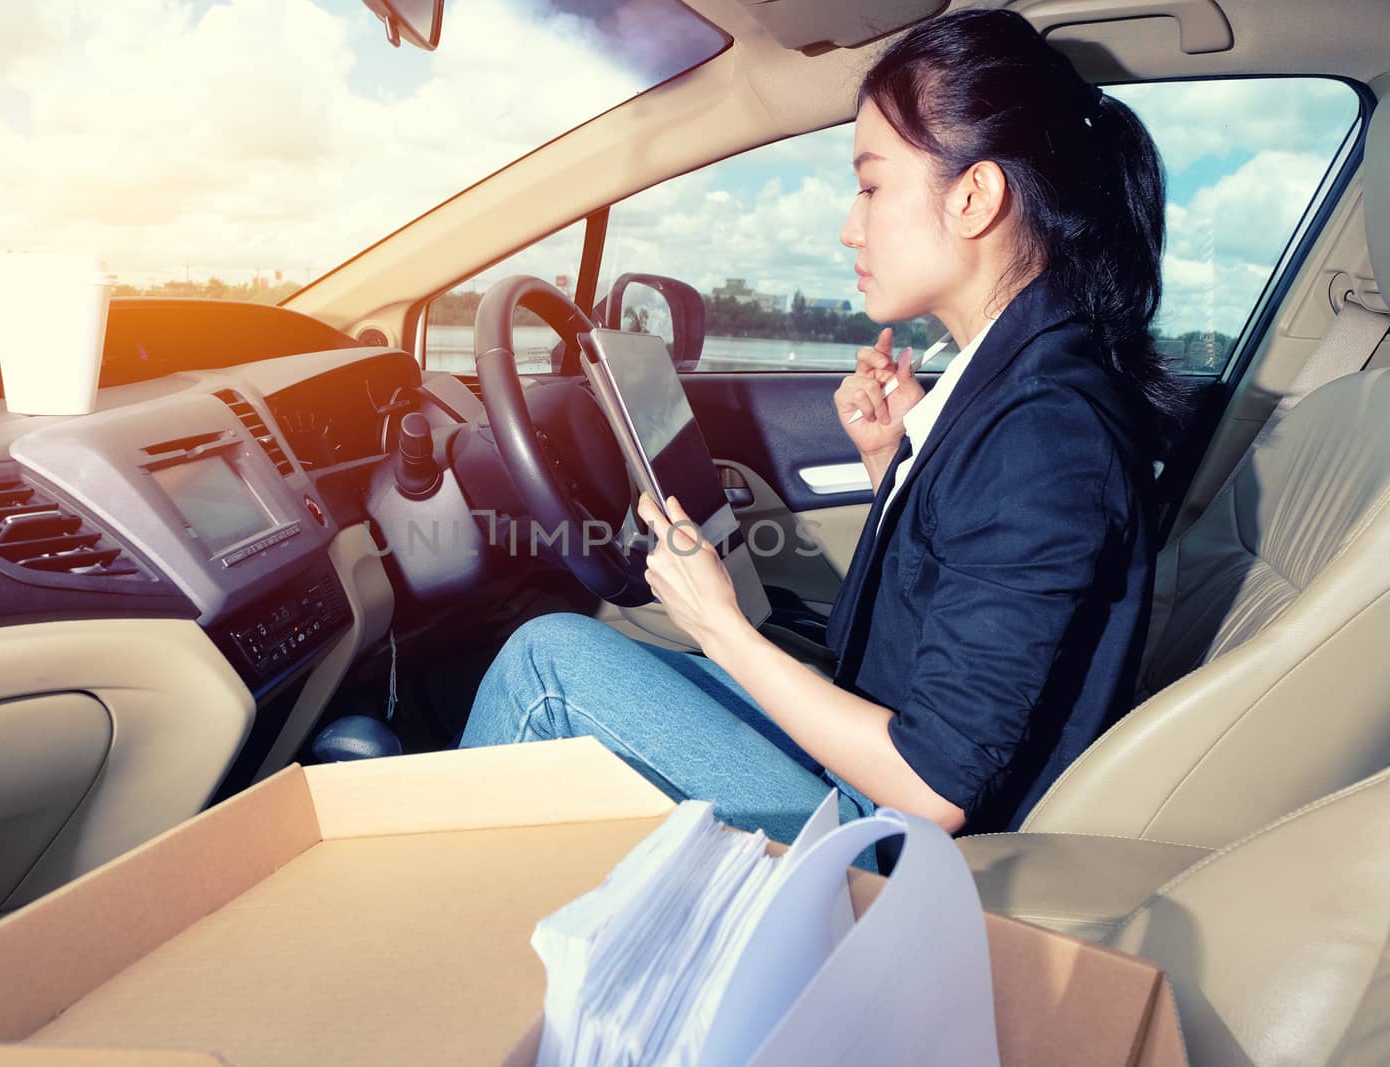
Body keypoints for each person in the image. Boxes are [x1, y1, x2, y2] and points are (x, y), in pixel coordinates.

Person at [459, 9, 1181, 858]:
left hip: (892, 844)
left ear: (976, 196)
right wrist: (892, 463)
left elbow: (935, 784)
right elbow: (972, 590)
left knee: (547, 666)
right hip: (868, 777)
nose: (850, 225)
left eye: (872, 186)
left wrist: (720, 625)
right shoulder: (1027, 383)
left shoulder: (1045, 432)